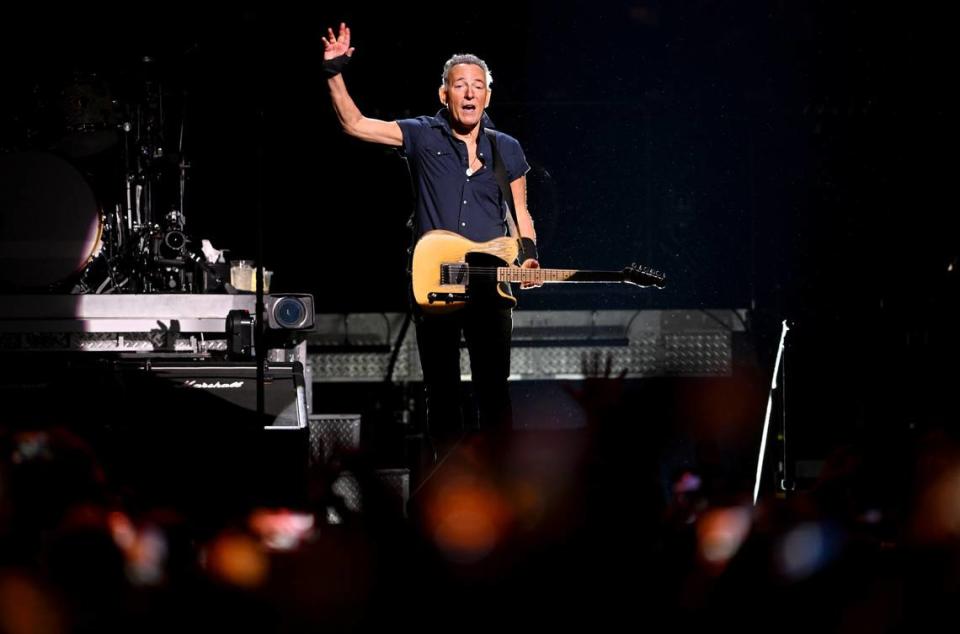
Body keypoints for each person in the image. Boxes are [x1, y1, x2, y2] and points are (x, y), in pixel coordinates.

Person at [322, 23, 540, 465]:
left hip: (489, 283)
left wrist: (530, 255)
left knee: (493, 387)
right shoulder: (422, 134)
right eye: (460, 85)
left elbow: (520, 213)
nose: (469, 93)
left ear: (488, 97)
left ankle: (500, 479)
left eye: (478, 86)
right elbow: (355, 124)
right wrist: (334, 73)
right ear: (444, 94)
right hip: (435, 281)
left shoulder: (506, 148)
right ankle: (450, 476)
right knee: (441, 389)